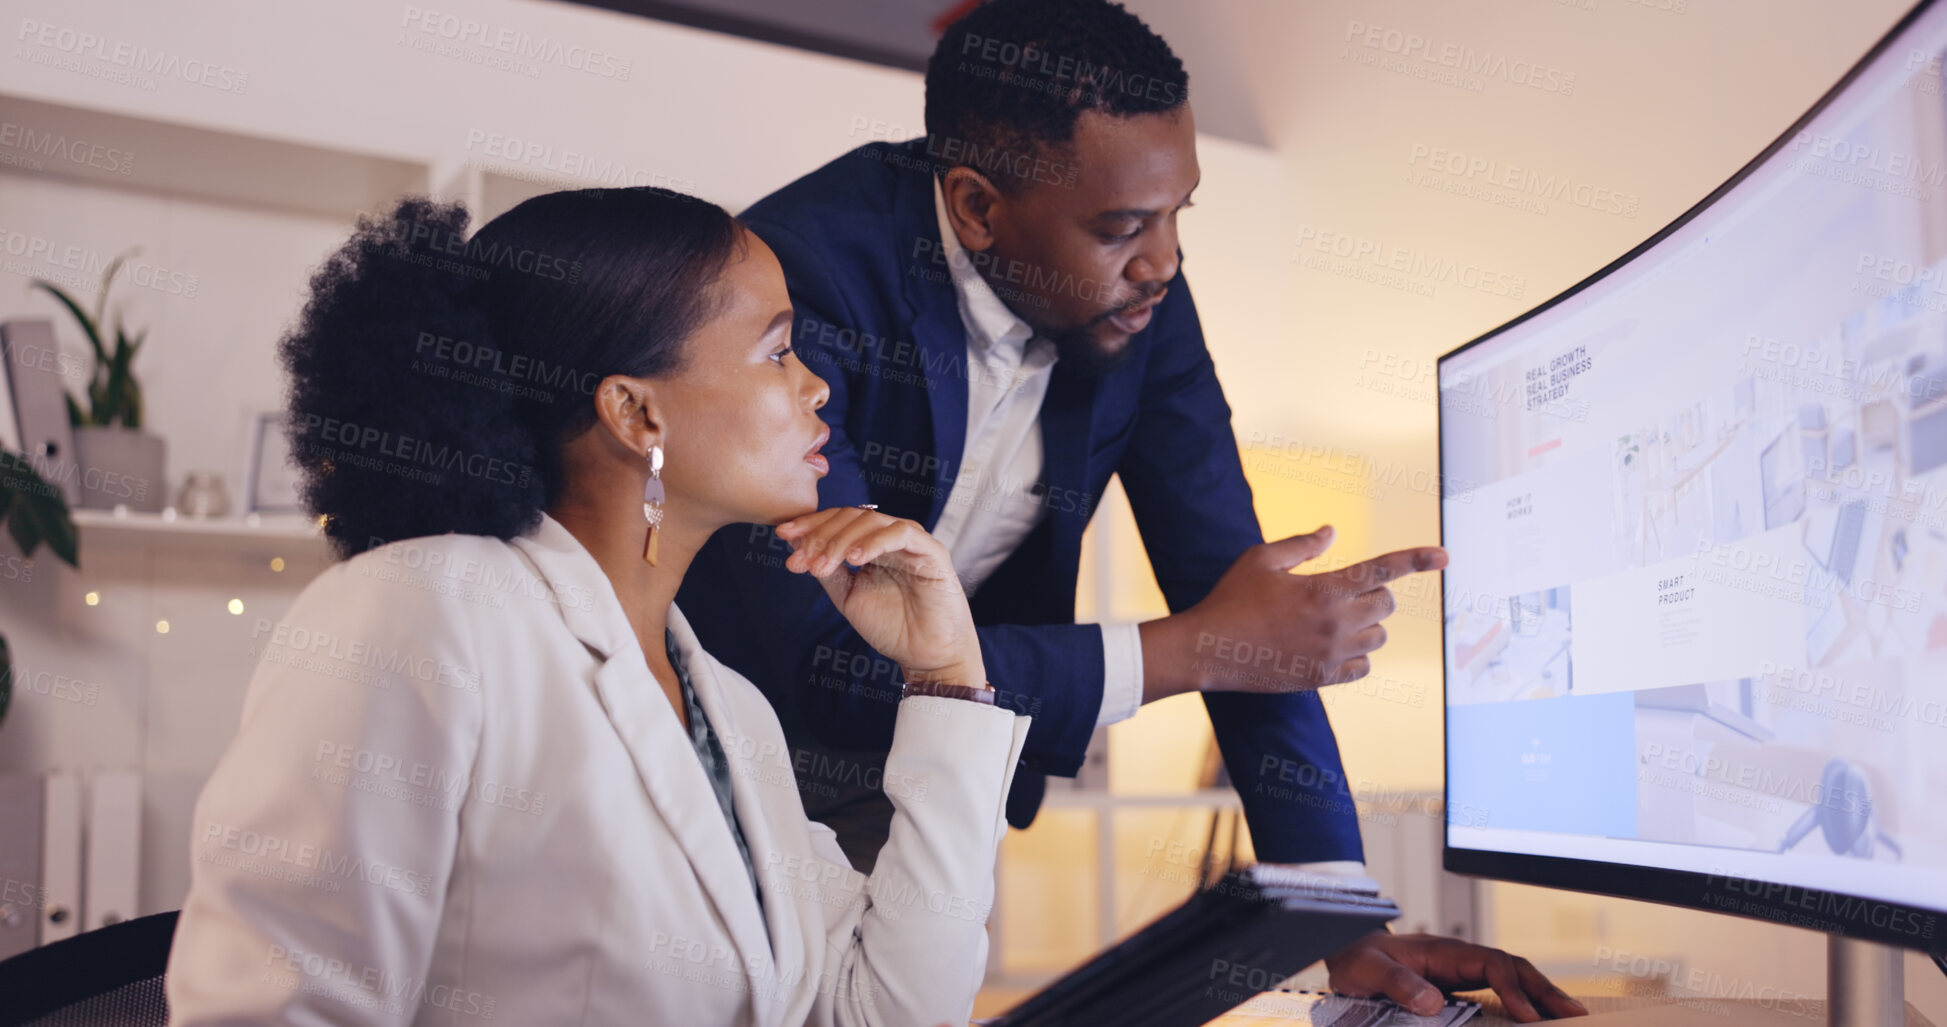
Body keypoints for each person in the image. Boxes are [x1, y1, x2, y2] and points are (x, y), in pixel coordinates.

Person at [675, 0, 1587, 1020]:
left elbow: (1248, 609)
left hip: (941, 767)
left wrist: (1340, 917)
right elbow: (828, 659)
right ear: (976, 207)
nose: (1165, 259)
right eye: (1123, 227)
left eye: (1179, 212)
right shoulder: (812, 275)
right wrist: (1197, 649)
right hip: (739, 761)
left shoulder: (1146, 297)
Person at [165, 189, 1029, 1026]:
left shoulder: (732, 713)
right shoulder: (421, 612)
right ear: (636, 413)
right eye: (777, 351)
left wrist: (945, 674)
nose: (816, 389)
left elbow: (887, 1010)